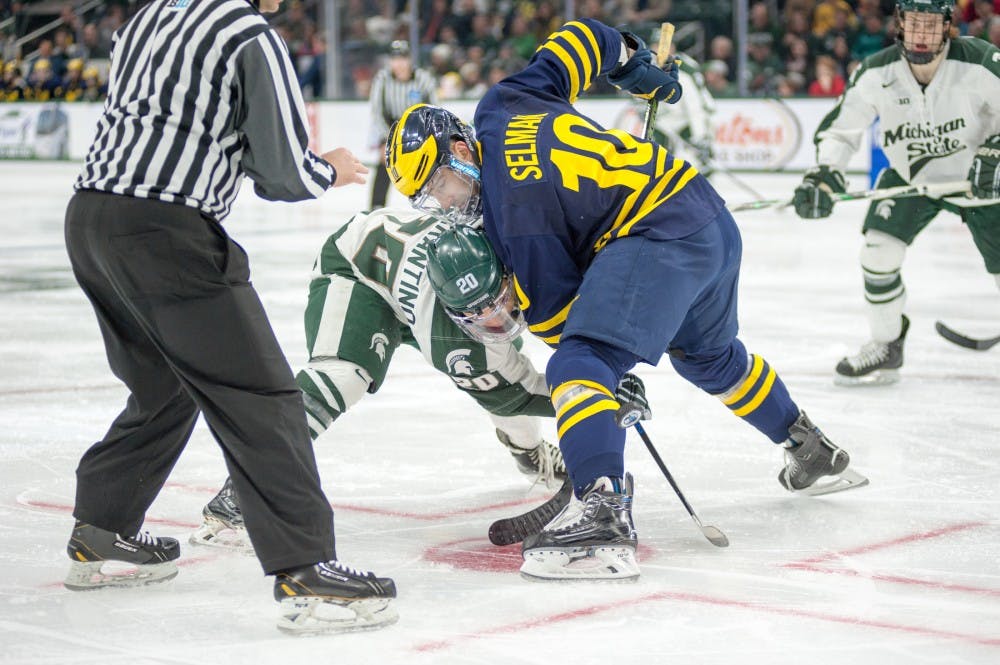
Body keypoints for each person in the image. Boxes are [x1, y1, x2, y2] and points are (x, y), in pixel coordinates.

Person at [385, 19, 864, 581]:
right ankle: (808, 445)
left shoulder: (515, 221)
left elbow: (563, 326)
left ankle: (602, 510)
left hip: (657, 234)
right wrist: (633, 65)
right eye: (431, 198)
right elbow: (581, 37)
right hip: (706, 216)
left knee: (578, 363)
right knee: (710, 357)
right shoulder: (502, 103)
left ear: (461, 149)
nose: (446, 201)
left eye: (443, 182)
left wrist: (603, 386)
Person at [63, 0, 395, 635]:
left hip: (91, 219)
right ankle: (306, 569)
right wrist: (332, 170)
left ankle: (101, 529)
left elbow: (179, 123)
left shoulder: (151, 16)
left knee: (164, 386)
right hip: (168, 231)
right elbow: (281, 172)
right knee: (263, 396)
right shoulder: (247, 32)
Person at [191, 207, 566, 552]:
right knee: (341, 376)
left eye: (499, 302)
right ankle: (246, 485)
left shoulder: (499, 255)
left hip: (398, 262)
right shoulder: (451, 340)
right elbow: (514, 394)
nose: (497, 319)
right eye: (480, 315)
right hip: (357, 274)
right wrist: (596, 394)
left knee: (504, 362)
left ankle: (528, 452)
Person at [793, 0, 1000, 385]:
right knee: (878, 253)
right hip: (911, 176)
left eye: (932, 25)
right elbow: (841, 129)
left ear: (948, 27)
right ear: (901, 24)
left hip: (980, 179)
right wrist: (824, 175)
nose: (922, 34)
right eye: (915, 24)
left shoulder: (981, 60)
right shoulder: (876, 70)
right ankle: (887, 344)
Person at [614, 40, 717, 173]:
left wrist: (700, 137)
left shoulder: (683, 70)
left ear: (672, 47)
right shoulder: (648, 66)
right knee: (659, 163)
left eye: (664, 46)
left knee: (697, 166)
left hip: (689, 121)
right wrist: (641, 106)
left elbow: (696, 107)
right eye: (656, 45)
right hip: (666, 123)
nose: (660, 50)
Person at [368, 40, 437, 209]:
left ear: (410, 59)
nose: (399, 64)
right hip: (391, 126)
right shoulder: (382, 78)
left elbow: (434, 109)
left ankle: (429, 204)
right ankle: (376, 206)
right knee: (384, 160)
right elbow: (376, 111)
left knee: (425, 163)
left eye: (403, 58)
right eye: (395, 59)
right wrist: (387, 138)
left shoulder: (423, 79)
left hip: (418, 128)